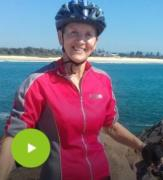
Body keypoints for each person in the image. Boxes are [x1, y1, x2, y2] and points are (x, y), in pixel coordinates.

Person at [0, 0, 149, 180]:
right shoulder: (37, 83)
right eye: (73, 32)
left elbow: (111, 126)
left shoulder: (103, 80)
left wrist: (143, 147)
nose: (80, 40)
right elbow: (14, 137)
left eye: (88, 34)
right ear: (60, 37)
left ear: (96, 41)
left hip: (103, 175)